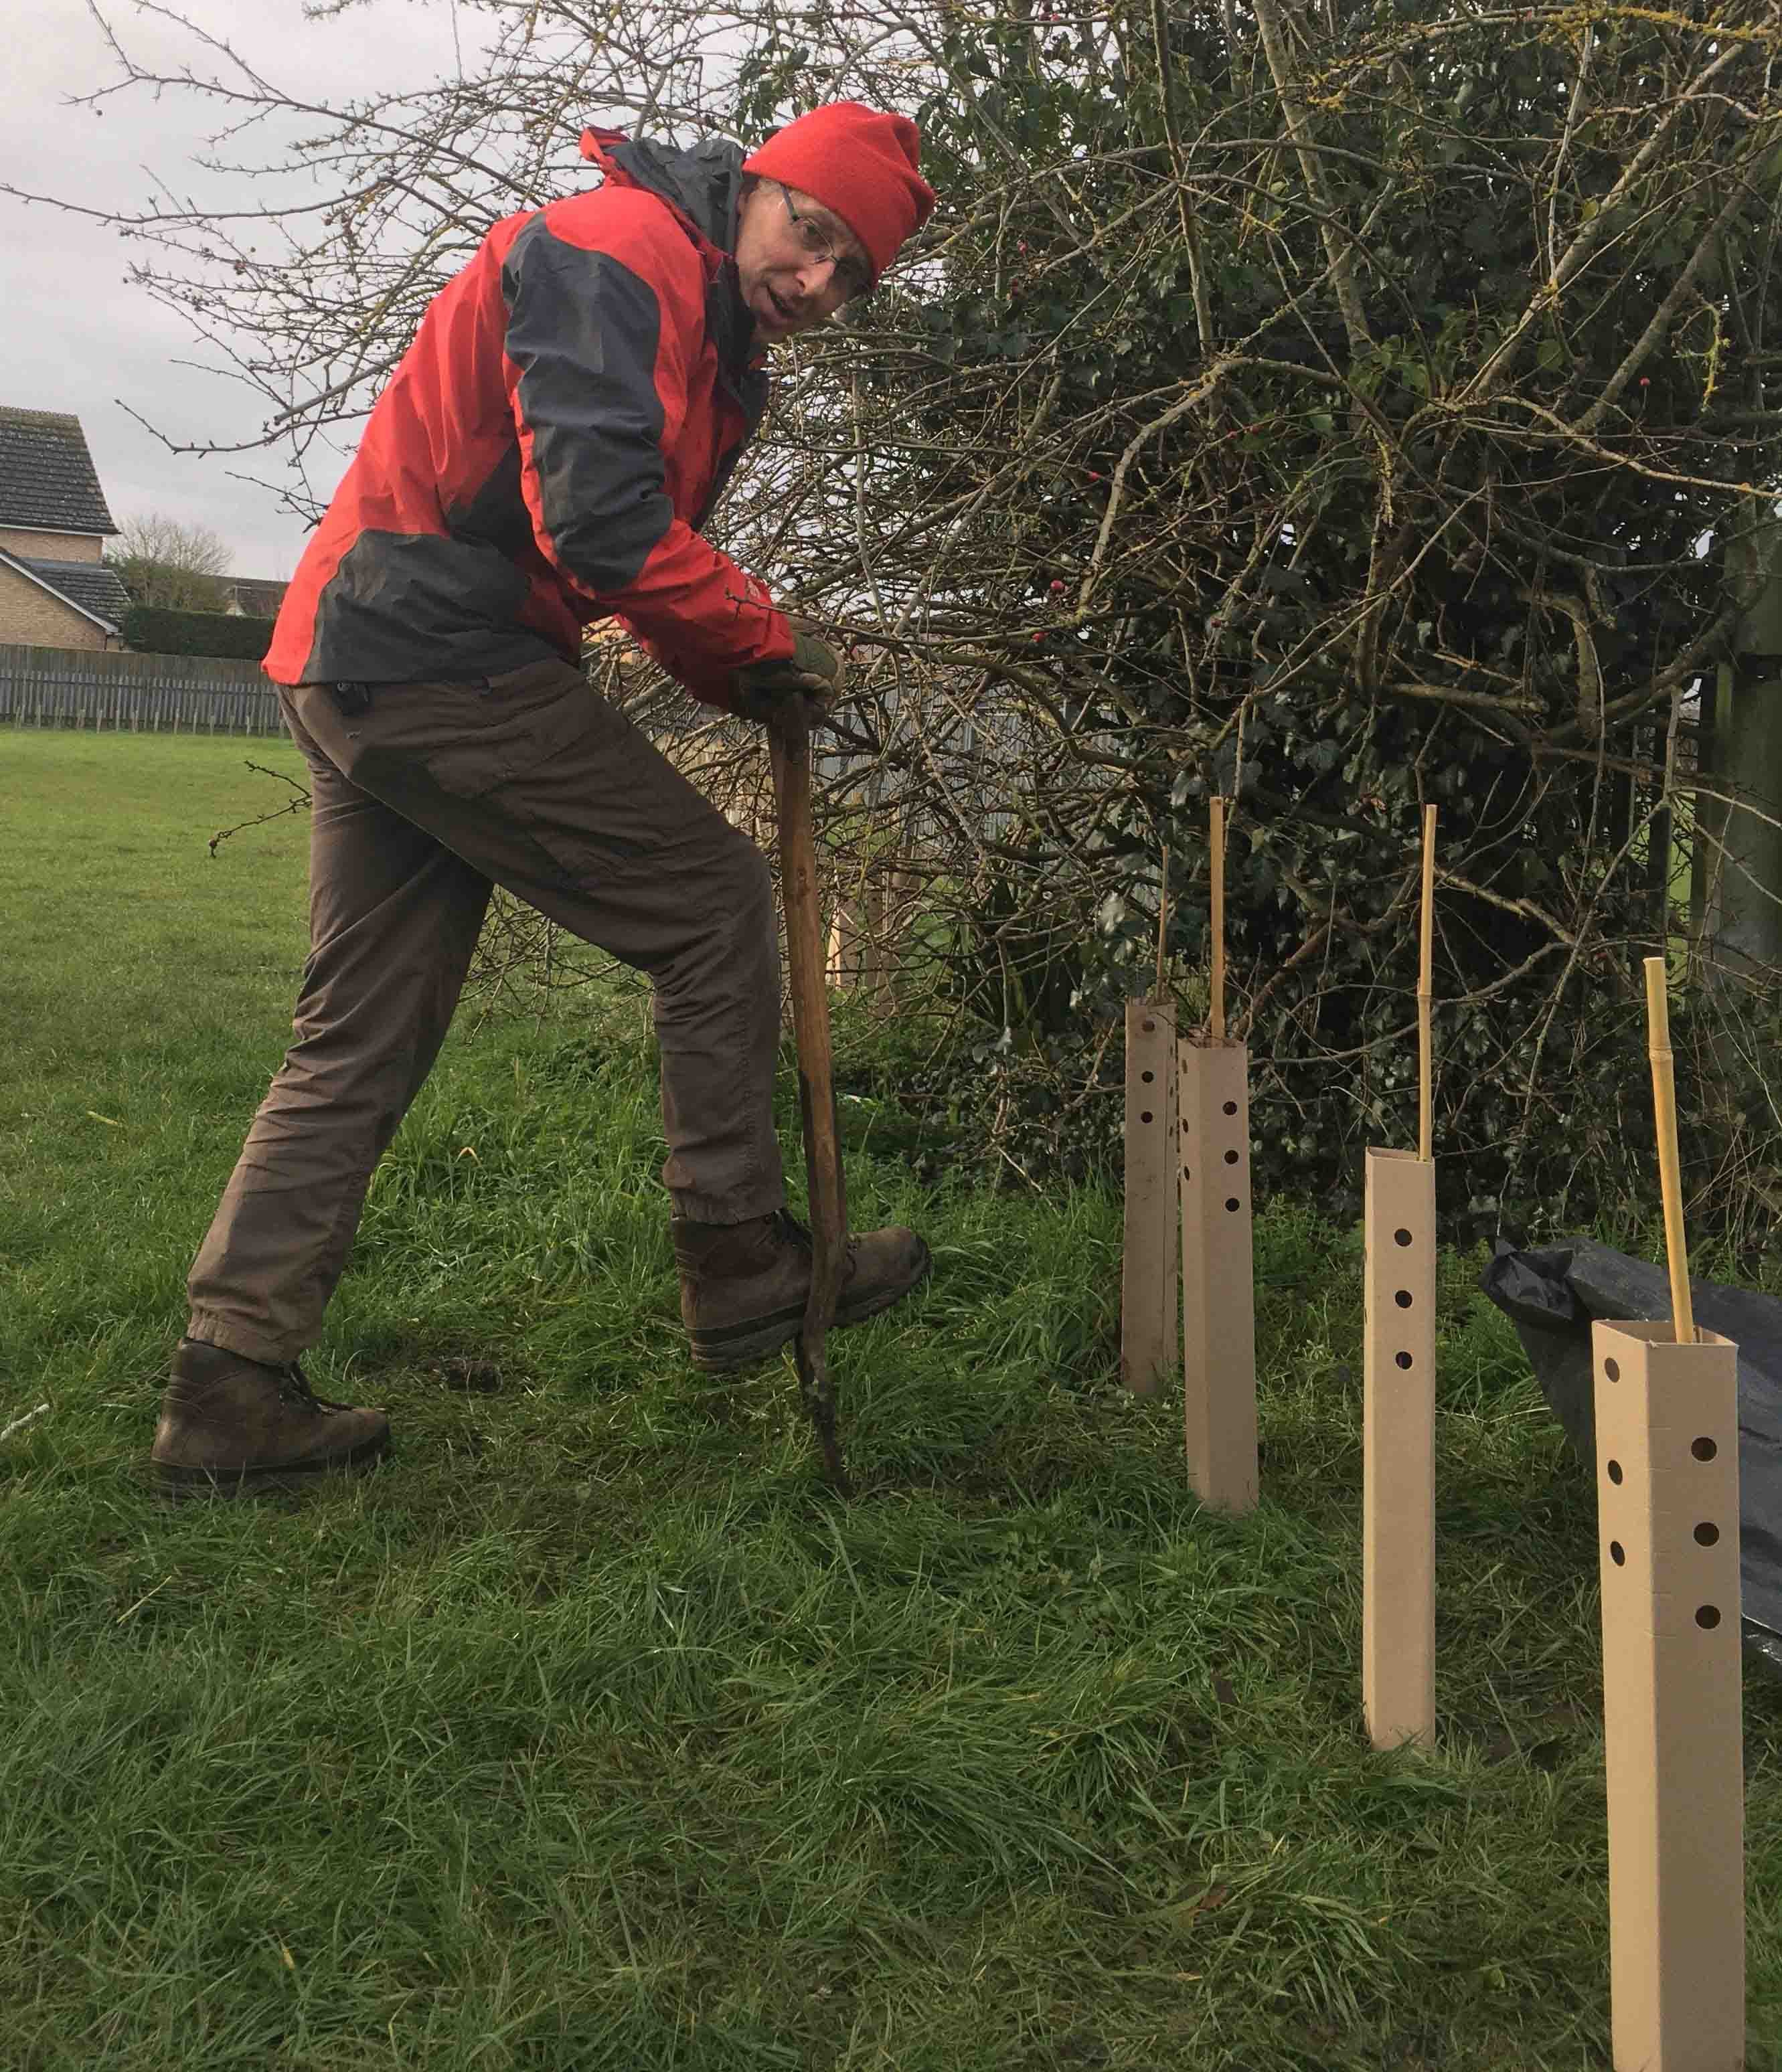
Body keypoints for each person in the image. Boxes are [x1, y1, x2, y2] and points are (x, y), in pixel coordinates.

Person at [150, 102, 939, 1496]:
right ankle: (738, 1260)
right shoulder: (619, 249)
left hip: (361, 656)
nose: (816, 279)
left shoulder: (701, 321)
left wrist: (742, 672)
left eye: (850, 274)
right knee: (710, 906)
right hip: (439, 652)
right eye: (810, 232)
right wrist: (764, 642)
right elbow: (604, 525)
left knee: (355, 1038)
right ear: (755, 188)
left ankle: (226, 1389)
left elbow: (624, 543)